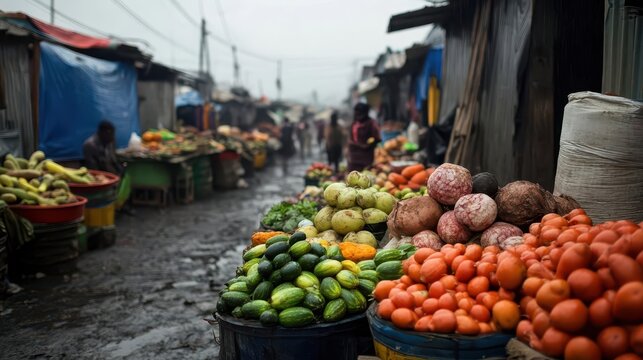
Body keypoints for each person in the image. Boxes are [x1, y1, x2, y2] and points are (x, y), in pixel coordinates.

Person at [347, 103, 381, 171]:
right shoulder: (354, 123)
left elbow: (377, 138)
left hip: (366, 158)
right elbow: (350, 138)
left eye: (359, 112)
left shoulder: (371, 123)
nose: (357, 115)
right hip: (354, 158)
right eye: (356, 112)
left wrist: (368, 144)